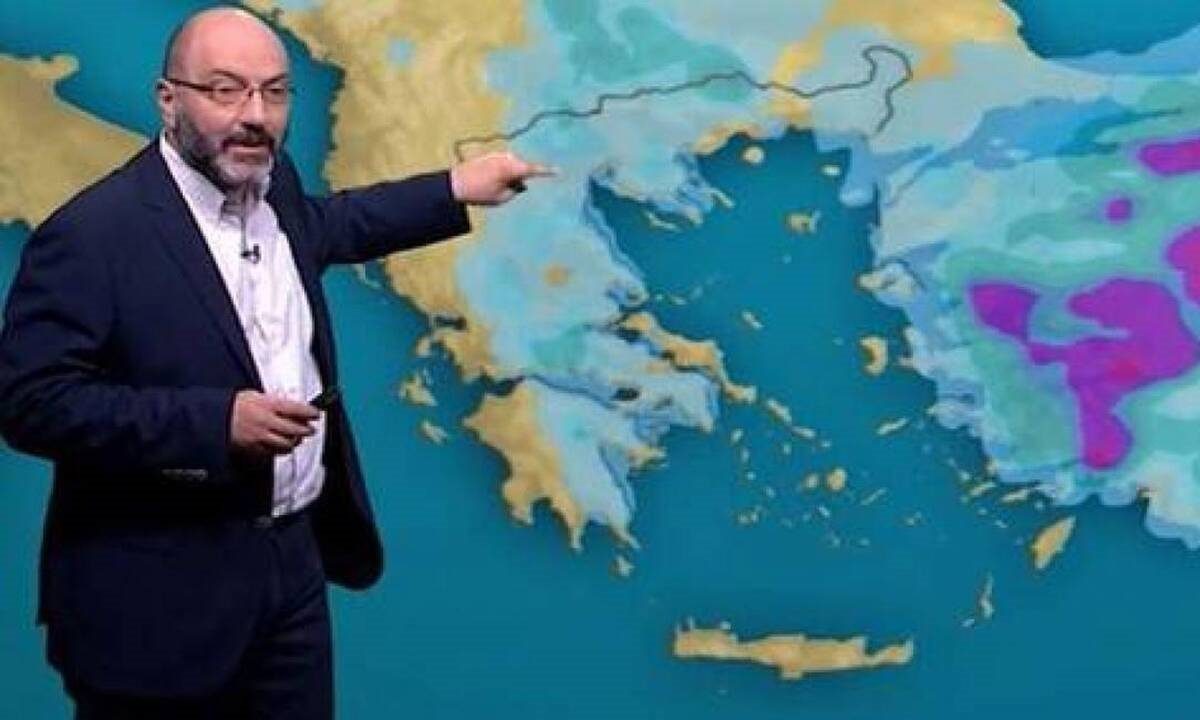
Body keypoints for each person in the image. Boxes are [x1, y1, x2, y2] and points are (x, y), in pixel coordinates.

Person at [0, 6, 549, 718]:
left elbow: (329, 225)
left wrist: (455, 188)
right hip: (156, 604)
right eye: (225, 90)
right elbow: (31, 402)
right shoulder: (92, 236)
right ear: (168, 100)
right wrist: (215, 423)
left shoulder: (271, 184)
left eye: (275, 91)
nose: (256, 115)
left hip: (290, 579)